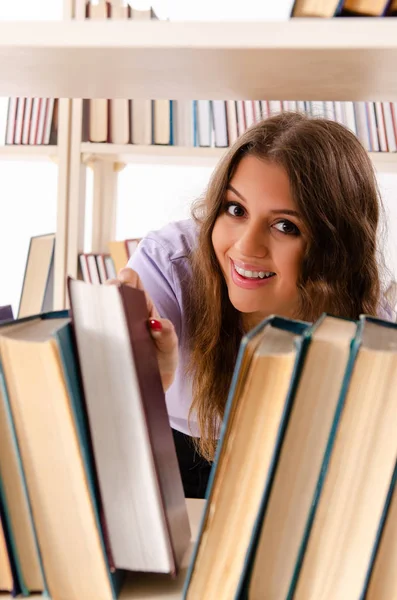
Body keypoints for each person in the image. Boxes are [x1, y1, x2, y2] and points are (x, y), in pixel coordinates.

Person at [108, 111, 392, 499]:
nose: (245, 247)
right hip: (173, 455)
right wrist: (137, 378)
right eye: (236, 210)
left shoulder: (372, 320)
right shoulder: (170, 268)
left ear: (333, 249)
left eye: (285, 226)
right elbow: (103, 425)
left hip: (295, 467)